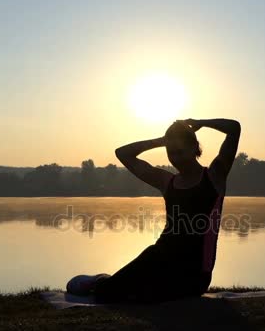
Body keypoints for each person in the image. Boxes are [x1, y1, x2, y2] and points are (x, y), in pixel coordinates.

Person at [66, 118, 241, 304]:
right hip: (157, 257)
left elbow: (234, 129)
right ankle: (101, 280)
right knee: (106, 294)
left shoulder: (214, 176)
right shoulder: (167, 182)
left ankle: (110, 282)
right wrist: (161, 141)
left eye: (180, 151)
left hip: (195, 275)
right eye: (171, 153)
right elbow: (123, 154)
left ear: (194, 148)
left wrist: (201, 122)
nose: (176, 158)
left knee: (145, 297)